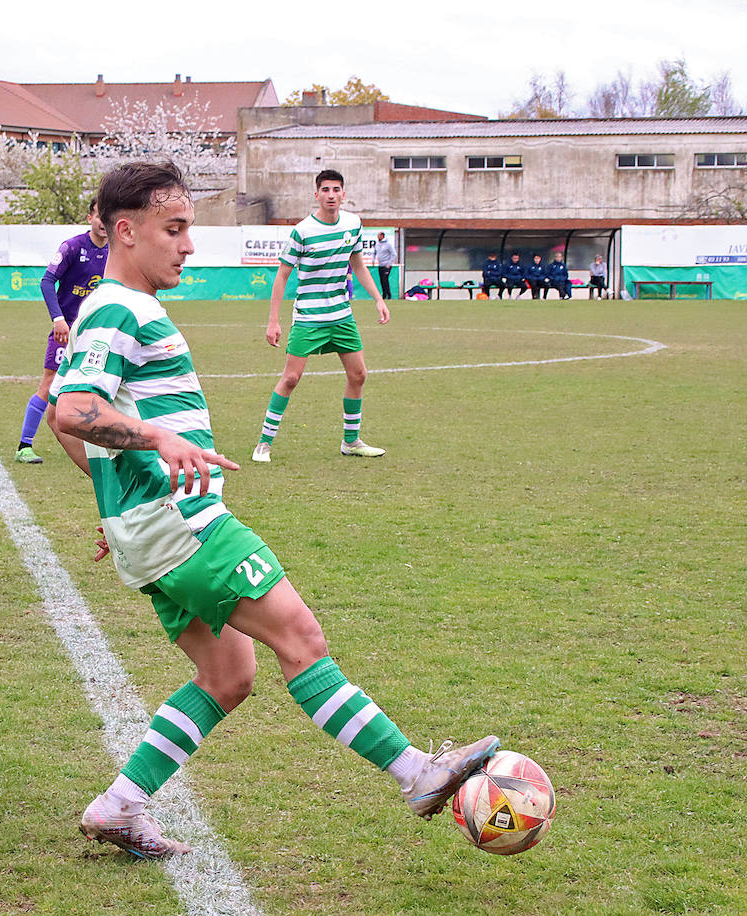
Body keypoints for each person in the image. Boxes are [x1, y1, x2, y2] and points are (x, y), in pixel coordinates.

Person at [48, 161, 500, 860]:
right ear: (127, 231)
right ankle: (417, 774)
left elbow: (72, 424)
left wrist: (115, 503)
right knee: (302, 639)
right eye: (175, 230)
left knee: (228, 677)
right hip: (183, 521)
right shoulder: (118, 306)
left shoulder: (120, 307)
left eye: (188, 229)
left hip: (151, 526)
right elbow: (71, 410)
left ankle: (118, 807)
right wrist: (157, 440)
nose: (188, 245)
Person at [252, 169, 389, 464]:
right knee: (290, 378)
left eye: (336, 189)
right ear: (316, 195)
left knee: (359, 374)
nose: (330, 195)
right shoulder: (302, 231)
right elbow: (282, 275)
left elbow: (359, 265)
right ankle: (264, 443)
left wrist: (378, 299)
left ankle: (351, 442)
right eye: (325, 190)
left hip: (341, 316)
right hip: (308, 318)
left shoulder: (353, 224)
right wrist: (274, 321)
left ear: (343, 194)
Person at [13, 198, 108, 465]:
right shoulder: (72, 247)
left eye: (108, 216)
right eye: (99, 215)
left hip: (98, 334)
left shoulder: (117, 252)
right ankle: (24, 445)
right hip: (66, 332)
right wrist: (58, 318)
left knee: (100, 387)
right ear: (90, 217)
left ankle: (100, 444)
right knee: (49, 384)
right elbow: (47, 281)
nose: (103, 222)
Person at [373, 231, 396, 300]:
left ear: (382, 236)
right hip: (380, 265)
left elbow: (394, 254)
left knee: (385, 279)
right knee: (382, 281)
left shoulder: (388, 244)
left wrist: (389, 263)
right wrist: (373, 260)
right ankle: (384, 295)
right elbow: (374, 253)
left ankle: (389, 295)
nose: (378, 237)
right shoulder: (377, 244)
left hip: (386, 265)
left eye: (379, 235)